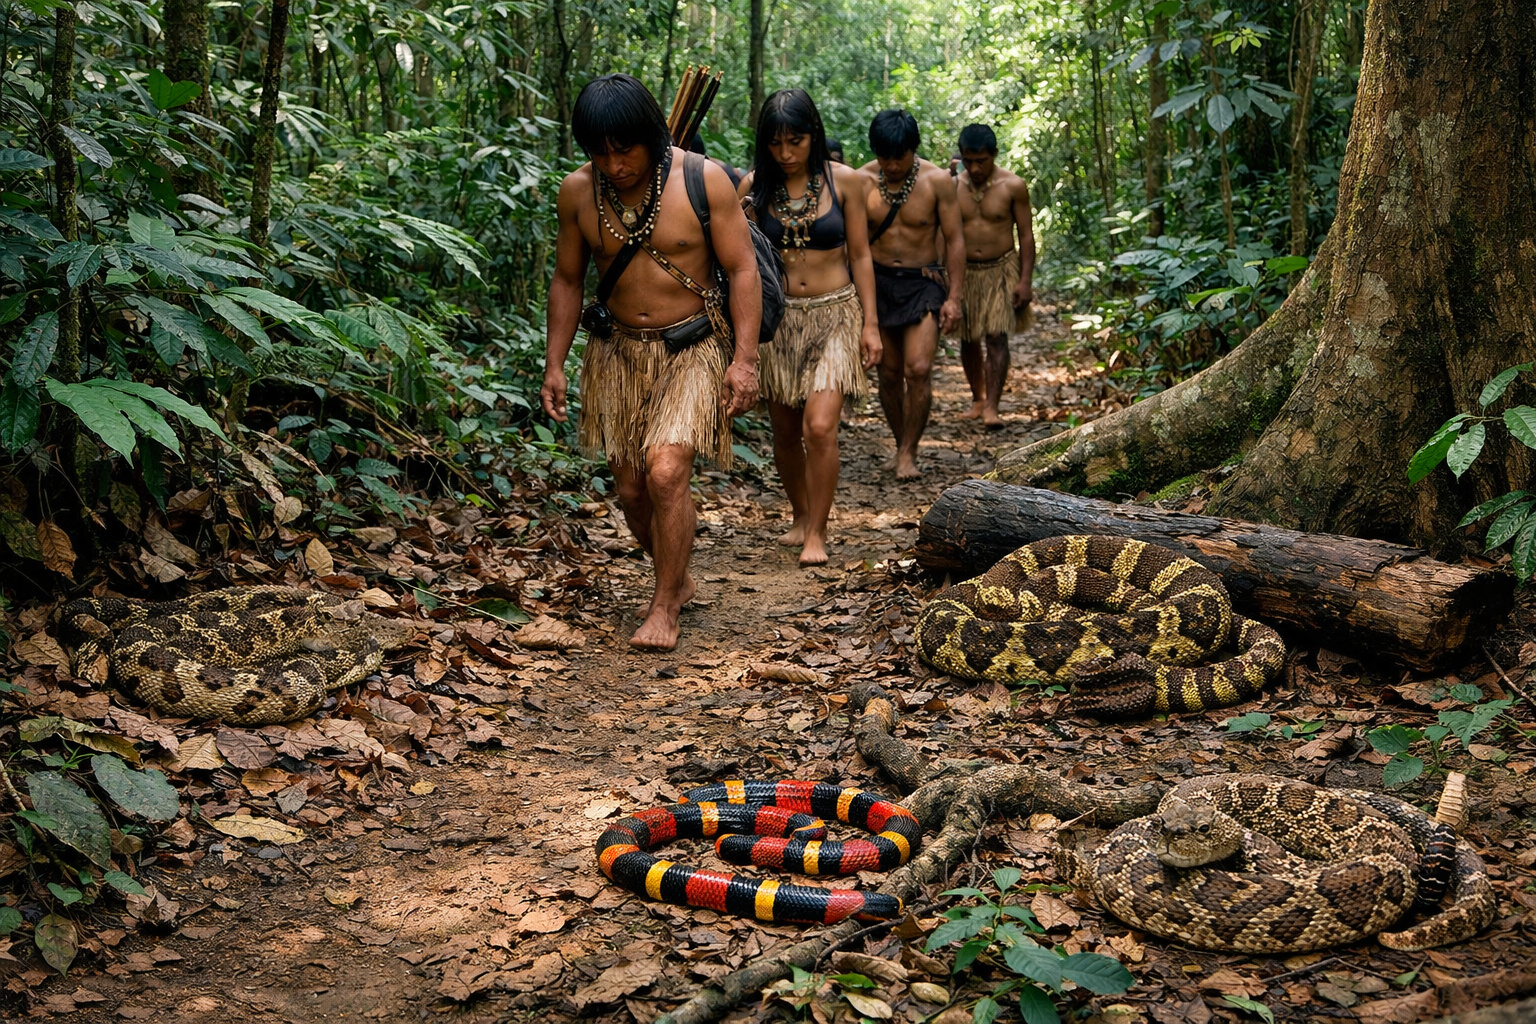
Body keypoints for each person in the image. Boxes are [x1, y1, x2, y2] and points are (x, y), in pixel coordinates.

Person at [542, 74, 761, 651]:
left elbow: (742, 270)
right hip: (615, 353)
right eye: (601, 152)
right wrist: (555, 364)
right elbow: (567, 279)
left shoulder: (703, 181)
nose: (615, 165)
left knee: (666, 473)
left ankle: (664, 606)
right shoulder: (577, 194)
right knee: (633, 492)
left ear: (654, 137)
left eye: (626, 148)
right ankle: (678, 576)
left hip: (692, 347)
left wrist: (744, 359)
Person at [738, 90, 880, 566]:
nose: (785, 153)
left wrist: (871, 326)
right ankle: (799, 514)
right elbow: (739, 263)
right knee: (784, 430)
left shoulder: (847, 183)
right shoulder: (754, 189)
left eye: (795, 141)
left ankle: (817, 532)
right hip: (778, 321)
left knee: (819, 426)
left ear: (812, 135)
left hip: (837, 314)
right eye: (775, 143)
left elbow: (861, 254)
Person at [859, 110, 964, 480]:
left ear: (913, 150)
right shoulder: (861, 181)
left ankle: (908, 452)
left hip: (922, 282)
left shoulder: (937, 181)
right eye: (884, 157)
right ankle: (900, 440)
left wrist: (954, 297)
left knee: (917, 368)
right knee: (888, 374)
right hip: (878, 282)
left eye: (899, 157)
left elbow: (954, 239)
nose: (890, 165)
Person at [953, 124, 1035, 427]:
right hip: (966, 273)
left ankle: (992, 406)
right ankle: (977, 398)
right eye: (968, 161)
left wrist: (1025, 280)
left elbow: (1026, 235)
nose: (975, 168)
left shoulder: (1013, 186)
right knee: (968, 337)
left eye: (982, 161)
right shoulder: (952, 187)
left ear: (994, 155)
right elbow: (945, 235)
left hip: (1002, 269)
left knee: (997, 337)